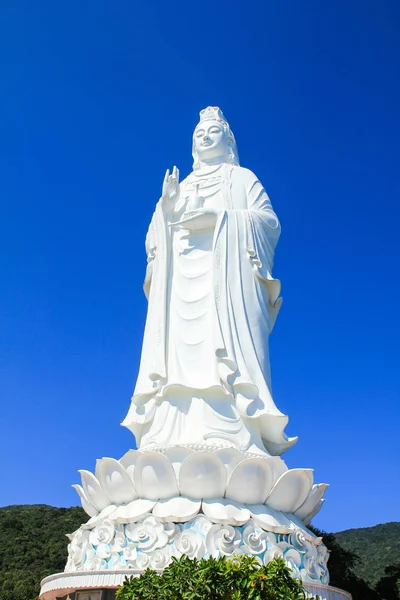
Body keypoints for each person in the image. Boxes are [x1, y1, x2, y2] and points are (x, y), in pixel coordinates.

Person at [122, 107, 296, 456]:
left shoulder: (242, 179)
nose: (204, 136)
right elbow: (156, 243)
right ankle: (169, 432)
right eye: (199, 133)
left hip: (226, 284)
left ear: (228, 140)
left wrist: (219, 219)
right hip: (180, 283)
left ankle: (236, 435)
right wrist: (166, 210)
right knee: (175, 356)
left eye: (213, 131)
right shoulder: (182, 185)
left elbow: (268, 224)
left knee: (223, 356)